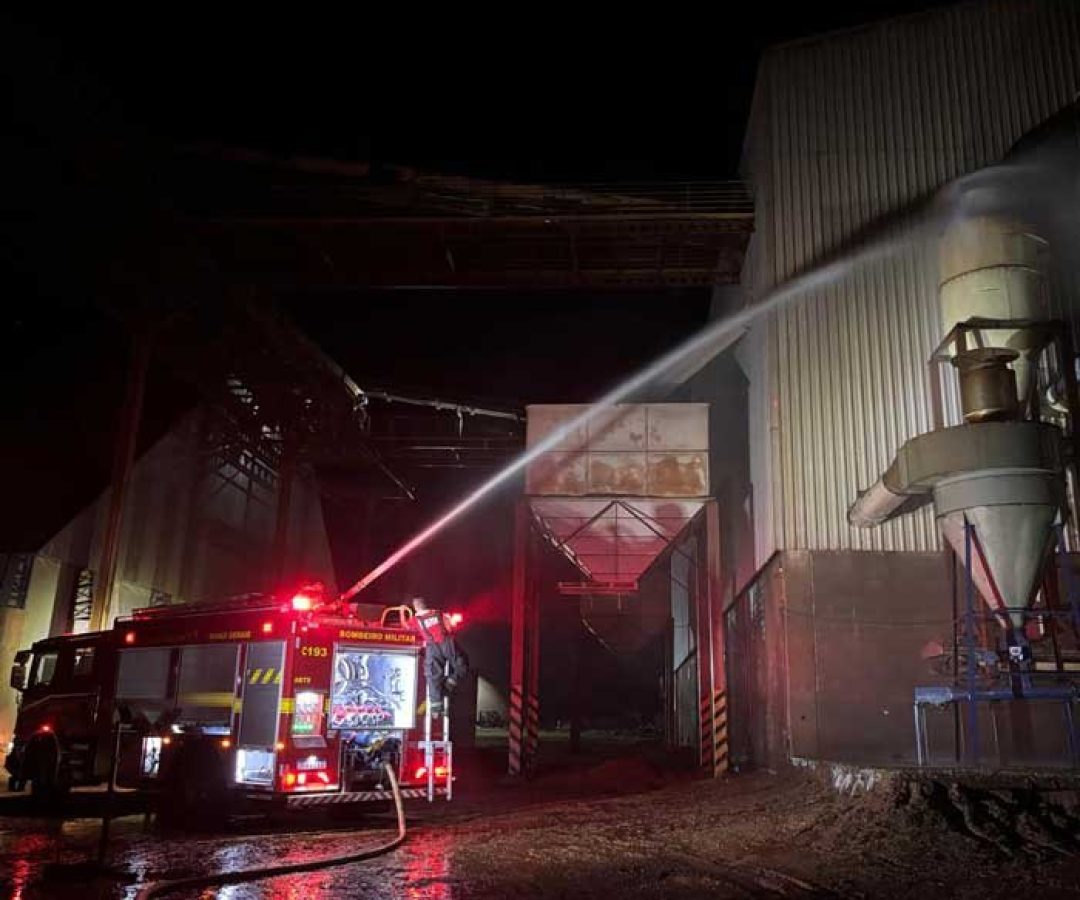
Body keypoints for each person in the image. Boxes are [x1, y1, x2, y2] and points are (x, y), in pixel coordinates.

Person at [409, 597, 468, 717]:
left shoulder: (415, 620)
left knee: (432, 674)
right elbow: (450, 626)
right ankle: (451, 681)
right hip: (446, 642)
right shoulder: (438, 613)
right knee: (461, 664)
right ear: (426, 604)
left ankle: (436, 708)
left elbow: (409, 630)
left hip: (432, 647)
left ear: (415, 607)